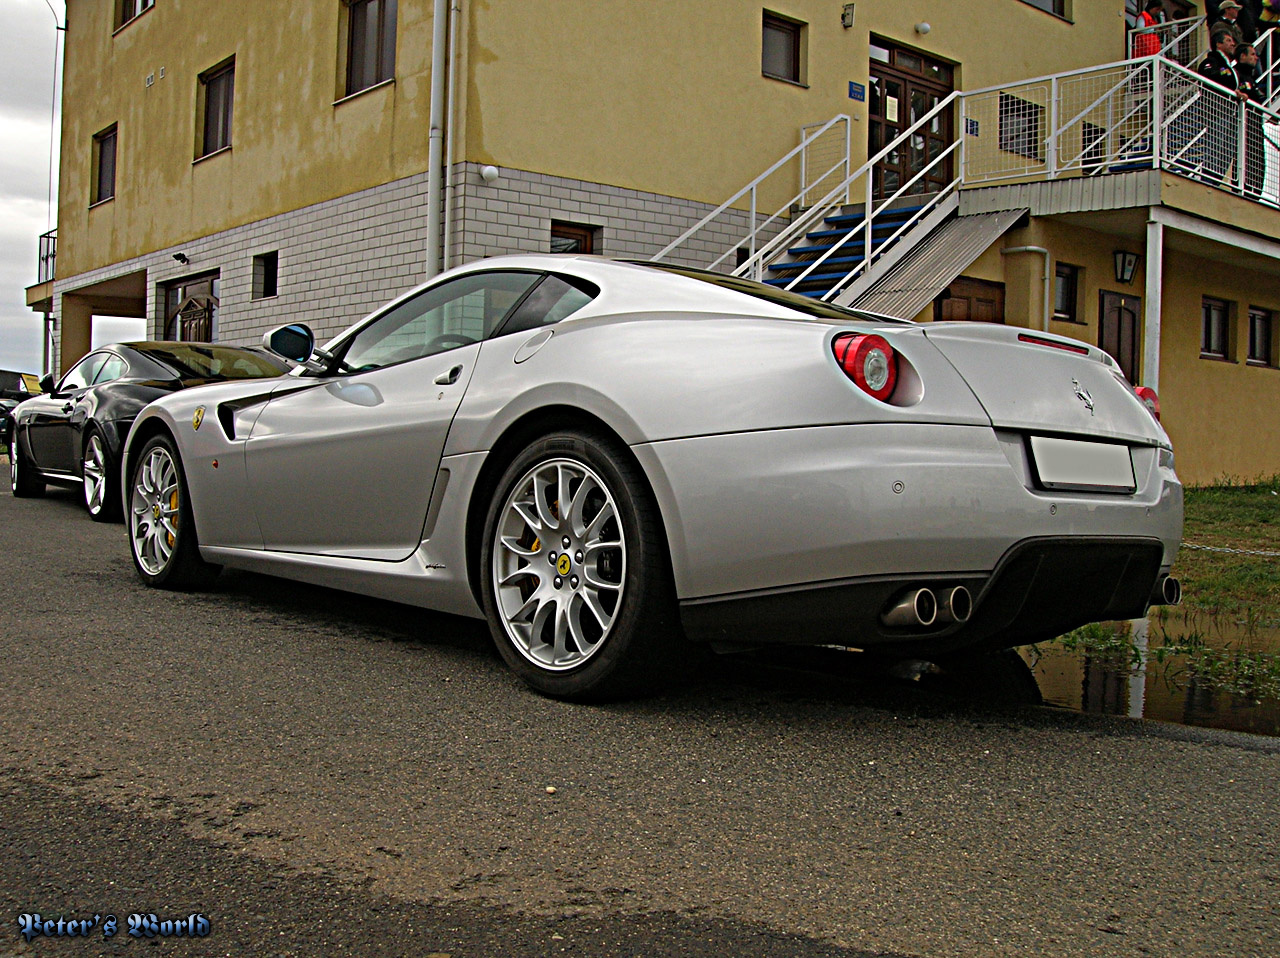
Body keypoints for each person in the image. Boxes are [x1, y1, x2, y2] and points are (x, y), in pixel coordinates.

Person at [1198, 28, 1242, 182]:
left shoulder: (1230, 67)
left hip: (1229, 113)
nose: (1233, 44)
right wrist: (1226, 77)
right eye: (1229, 40)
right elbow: (1209, 76)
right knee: (1215, 147)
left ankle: (1215, 180)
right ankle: (1208, 179)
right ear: (1218, 44)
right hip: (1216, 111)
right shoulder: (1211, 61)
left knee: (1227, 150)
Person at [1236, 43, 1268, 195]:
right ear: (1242, 56)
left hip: (1255, 127)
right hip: (1244, 126)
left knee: (1258, 164)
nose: (1256, 58)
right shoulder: (1236, 75)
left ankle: (1255, 193)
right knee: (1245, 161)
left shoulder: (1251, 78)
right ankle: (1244, 191)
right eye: (1252, 54)